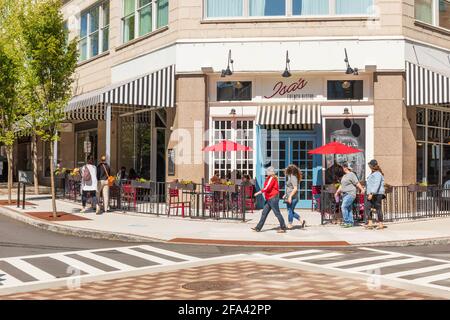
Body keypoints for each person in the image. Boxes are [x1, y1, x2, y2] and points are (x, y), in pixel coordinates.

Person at [252, 166, 287, 233]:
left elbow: (267, 188)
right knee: (264, 213)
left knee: (277, 213)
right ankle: (258, 228)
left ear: (271, 172)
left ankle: (283, 227)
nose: (267, 172)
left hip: (273, 198)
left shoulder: (272, 178)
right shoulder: (269, 178)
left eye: (268, 171)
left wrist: (258, 192)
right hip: (269, 199)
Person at [335, 163, 365, 228]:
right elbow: (341, 185)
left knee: (343, 207)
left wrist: (362, 189)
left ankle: (346, 221)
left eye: (343, 167)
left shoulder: (352, 174)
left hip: (350, 193)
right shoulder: (344, 176)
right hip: (345, 194)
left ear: (346, 168)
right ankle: (350, 222)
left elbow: (357, 183)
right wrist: (337, 192)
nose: (342, 169)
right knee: (348, 208)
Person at [365, 159, 385, 230]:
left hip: (377, 194)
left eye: (369, 165)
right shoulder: (373, 173)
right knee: (367, 207)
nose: (369, 166)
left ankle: (380, 224)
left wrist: (371, 193)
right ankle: (370, 223)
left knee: (378, 208)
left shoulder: (378, 174)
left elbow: (376, 184)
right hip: (372, 193)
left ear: (372, 166)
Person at [285, 164, 306, 230]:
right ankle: (302, 221)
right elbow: (289, 187)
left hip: (293, 198)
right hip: (290, 197)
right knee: (290, 211)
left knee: (290, 210)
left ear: (290, 170)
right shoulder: (290, 176)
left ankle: (290, 224)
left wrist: (290, 196)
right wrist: (286, 194)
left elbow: (295, 188)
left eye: (287, 168)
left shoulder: (293, 177)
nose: (286, 169)